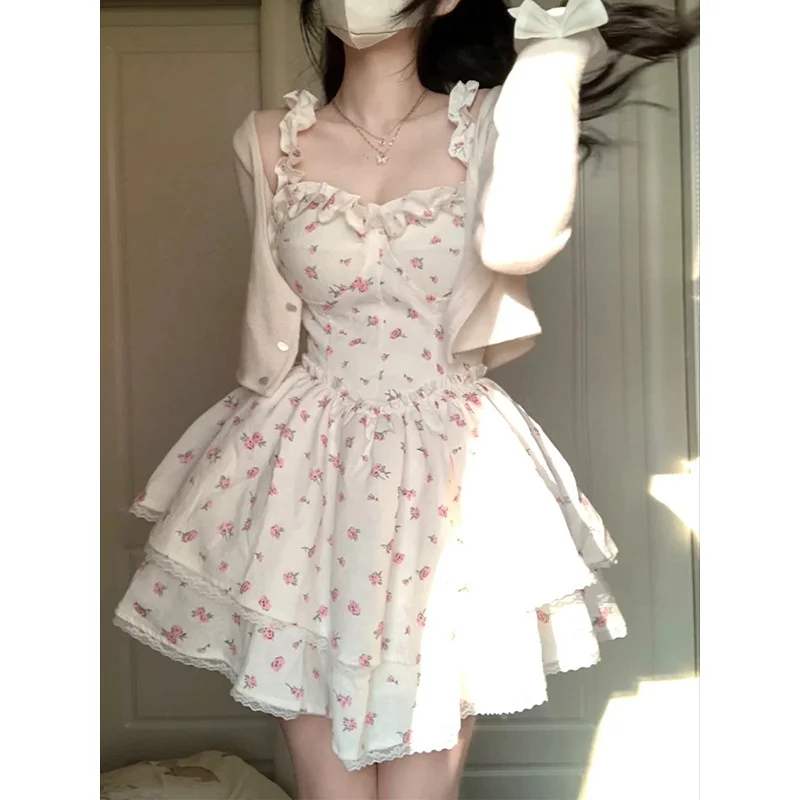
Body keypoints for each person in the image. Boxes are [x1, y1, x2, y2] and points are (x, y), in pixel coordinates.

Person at [113, 1, 699, 797]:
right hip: (304, 474)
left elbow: (520, 243)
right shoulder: (268, 139)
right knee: (328, 787)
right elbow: (273, 321)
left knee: (422, 783)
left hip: (450, 465)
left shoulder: (491, 121)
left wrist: (556, 56)